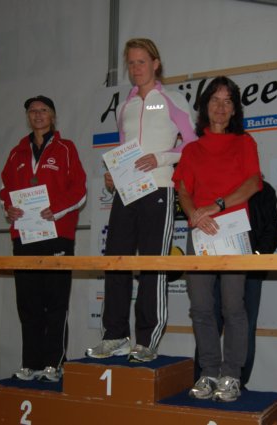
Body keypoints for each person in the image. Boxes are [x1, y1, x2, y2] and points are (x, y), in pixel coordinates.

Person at [86, 38, 197, 363]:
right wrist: (113, 175)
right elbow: (123, 150)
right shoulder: (126, 105)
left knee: (152, 266)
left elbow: (192, 145)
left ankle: (146, 341)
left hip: (159, 189)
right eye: (131, 63)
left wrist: (161, 158)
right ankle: (115, 336)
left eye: (142, 62)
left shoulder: (172, 100)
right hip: (126, 192)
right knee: (115, 263)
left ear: (155, 64)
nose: (136, 69)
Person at [173, 76, 262, 402]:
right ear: (205, 106)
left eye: (227, 101)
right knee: (200, 307)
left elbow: (253, 183)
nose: (221, 107)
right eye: (215, 100)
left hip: (233, 229)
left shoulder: (244, 142)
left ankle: (231, 375)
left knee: (233, 306)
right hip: (200, 230)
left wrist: (217, 205)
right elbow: (183, 190)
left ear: (235, 109)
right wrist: (195, 214)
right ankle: (209, 371)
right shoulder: (192, 149)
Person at [0, 95, 87, 381]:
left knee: (56, 302)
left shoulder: (66, 148)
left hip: (57, 235)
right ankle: (31, 363)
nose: (38, 115)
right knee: (28, 303)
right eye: (32, 111)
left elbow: (80, 191)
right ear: (28, 117)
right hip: (25, 236)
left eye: (43, 110)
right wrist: (8, 208)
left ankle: (54, 363)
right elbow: (5, 189)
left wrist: (57, 209)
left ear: (53, 116)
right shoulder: (16, 153)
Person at [193, 179, 277, 389]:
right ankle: (204, 377)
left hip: (249, 269)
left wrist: (254, 257)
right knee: (207, 318)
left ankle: (236, 381)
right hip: (213, 267)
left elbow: (273, 231)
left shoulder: (264, 190)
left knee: (244, 324)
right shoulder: (218, 185)